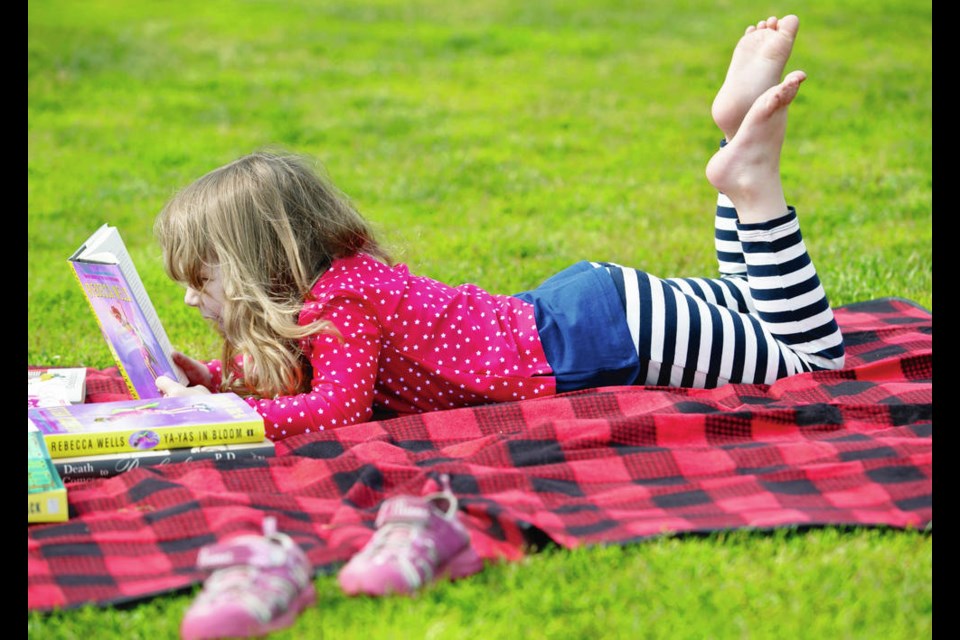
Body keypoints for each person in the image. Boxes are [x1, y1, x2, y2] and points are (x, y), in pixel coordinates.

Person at [154, 15, 845, 442]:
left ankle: (753, 187)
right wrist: (215, 382)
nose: (191, 299)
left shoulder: (339, 304)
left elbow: (335, 410)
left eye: (202, 280)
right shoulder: (336, 290)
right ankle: (736, 131)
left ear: (258, 268)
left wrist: (218, 417)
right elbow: (303, 374)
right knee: (757, 308)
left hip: (604, 335)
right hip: (591, 313)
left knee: (812, 364)